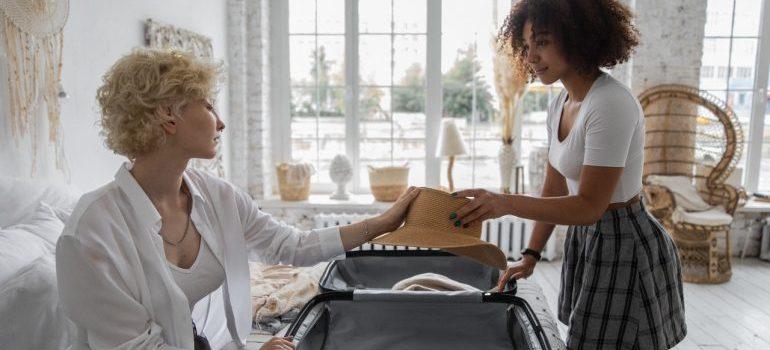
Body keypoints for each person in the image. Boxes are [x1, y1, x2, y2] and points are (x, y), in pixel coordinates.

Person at [55, 49, 420, 350]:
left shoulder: (217, 195)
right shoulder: (91, 231)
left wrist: (381, 224)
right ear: (168, 114)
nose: (221, 122)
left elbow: (290, 245)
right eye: (209, 106)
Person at [452, 1, 686, 349]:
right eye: (528, 45)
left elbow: (590, 205)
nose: (531, 56)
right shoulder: (561, 102)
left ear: (579, 37)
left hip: (622, 241)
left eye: (543, 42)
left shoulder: (610, 103)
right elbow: (554, 184)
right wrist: (531, 254)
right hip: (588, 237)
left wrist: (505, 203)